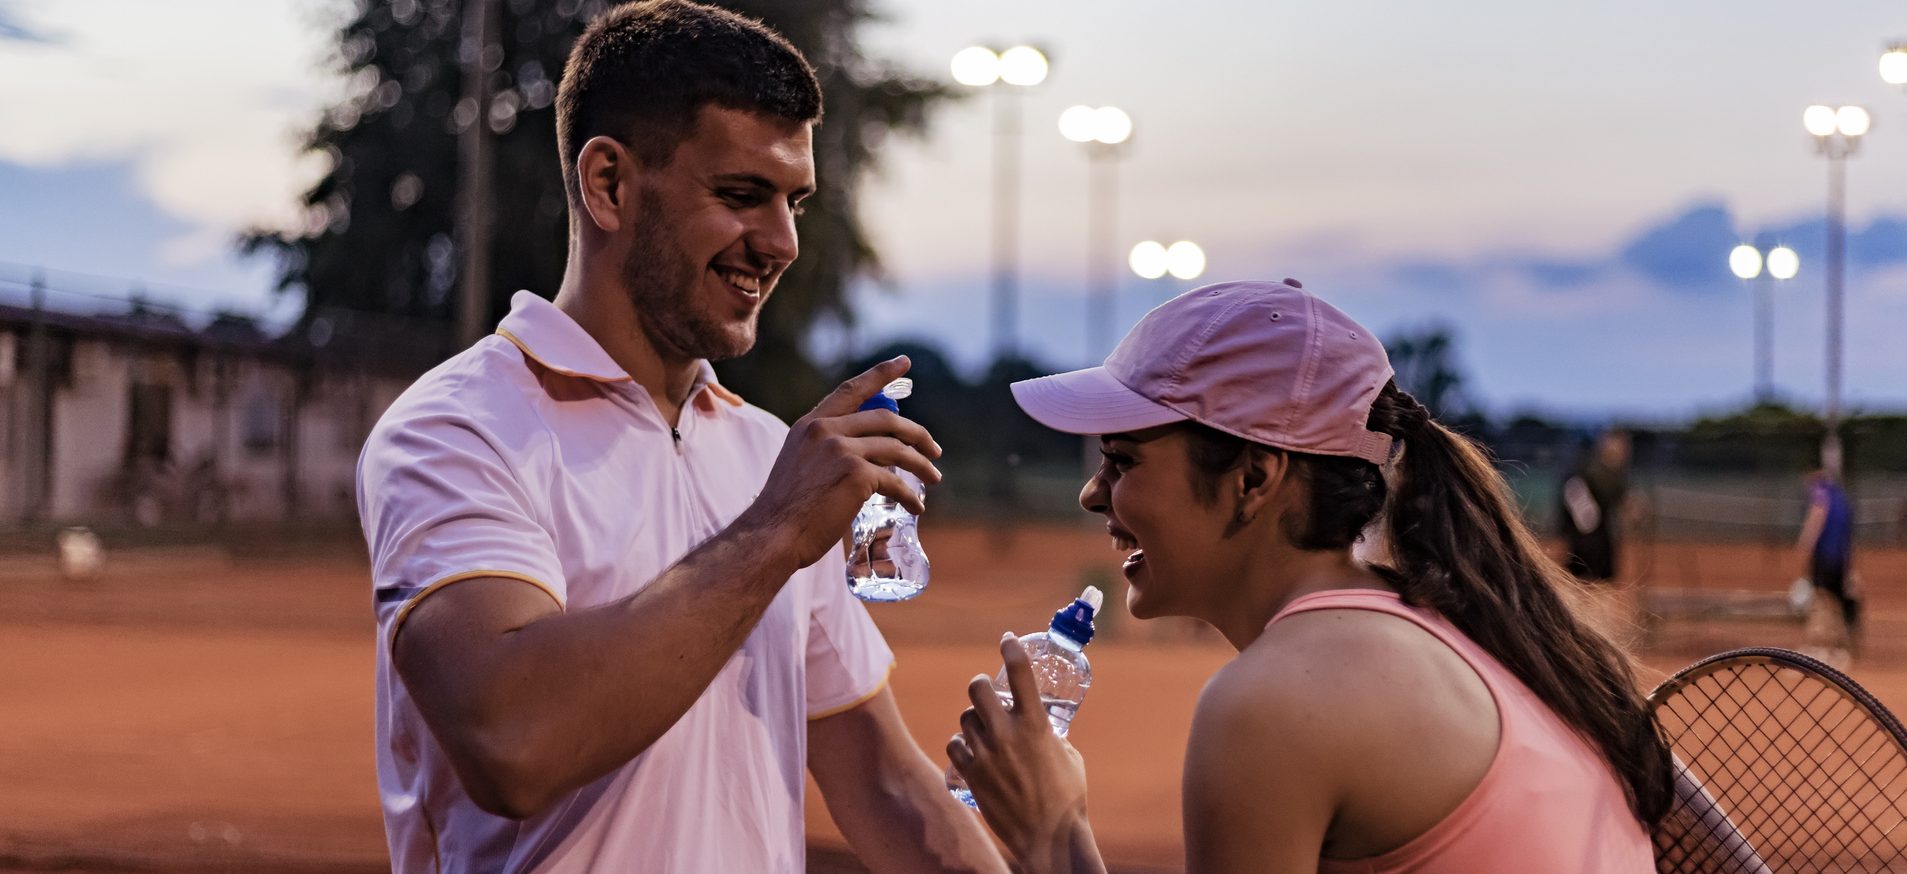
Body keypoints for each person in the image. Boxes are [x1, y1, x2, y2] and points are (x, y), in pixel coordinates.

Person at [356, 3, 1003, 871]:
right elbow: (512, 741)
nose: (778, 242)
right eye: (741, 195)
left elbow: (885, 785)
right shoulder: (456, 430)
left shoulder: (767, 455)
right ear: (610, 184)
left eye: (794, 201)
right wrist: (773, 532)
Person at [946, 279, 1672, 873]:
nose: (1092, 492)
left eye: (1124, 459)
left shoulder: (1271, 705)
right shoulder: (1475, 628)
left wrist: (1050, 841)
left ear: (1254, 478)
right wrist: (1063, 829)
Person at [1794, 466, 1859, 650]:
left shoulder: (1820, 493)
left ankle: (1820, 641)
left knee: (1821, 598)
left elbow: (1817, 517)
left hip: (1825, 556)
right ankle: (1842, 639)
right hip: (1841, 558)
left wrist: (1805, 543)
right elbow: (1849, 536)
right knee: (1838, 598)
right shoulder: (1841, 498)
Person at [1557, 429, 1633, 583]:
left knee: (1589, 576)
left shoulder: (1606, 472)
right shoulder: (1596, 472)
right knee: (1590, 578)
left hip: (1593, 536)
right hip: (1590, 538)